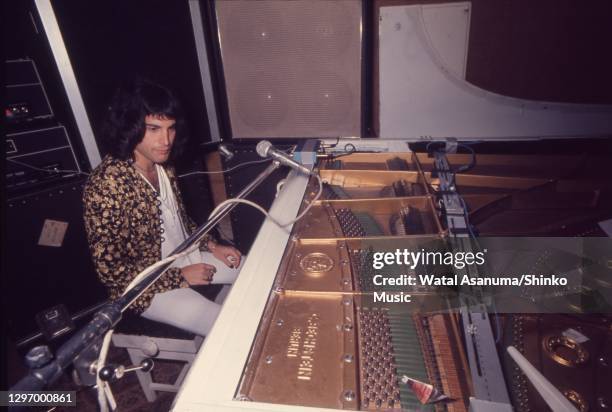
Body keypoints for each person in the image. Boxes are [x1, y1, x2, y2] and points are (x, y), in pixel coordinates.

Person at [83, 78, 242, 336]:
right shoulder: (105, 186)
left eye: (170, 128)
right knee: (232, 327)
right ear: (130, 127)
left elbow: (179, 221)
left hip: (186, 256)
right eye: (154, 129)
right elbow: (111, 274)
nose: (165, 140)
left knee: (258, 274)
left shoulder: (162, 164)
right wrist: (180, 277)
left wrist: (213, 245)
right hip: (147, 290)